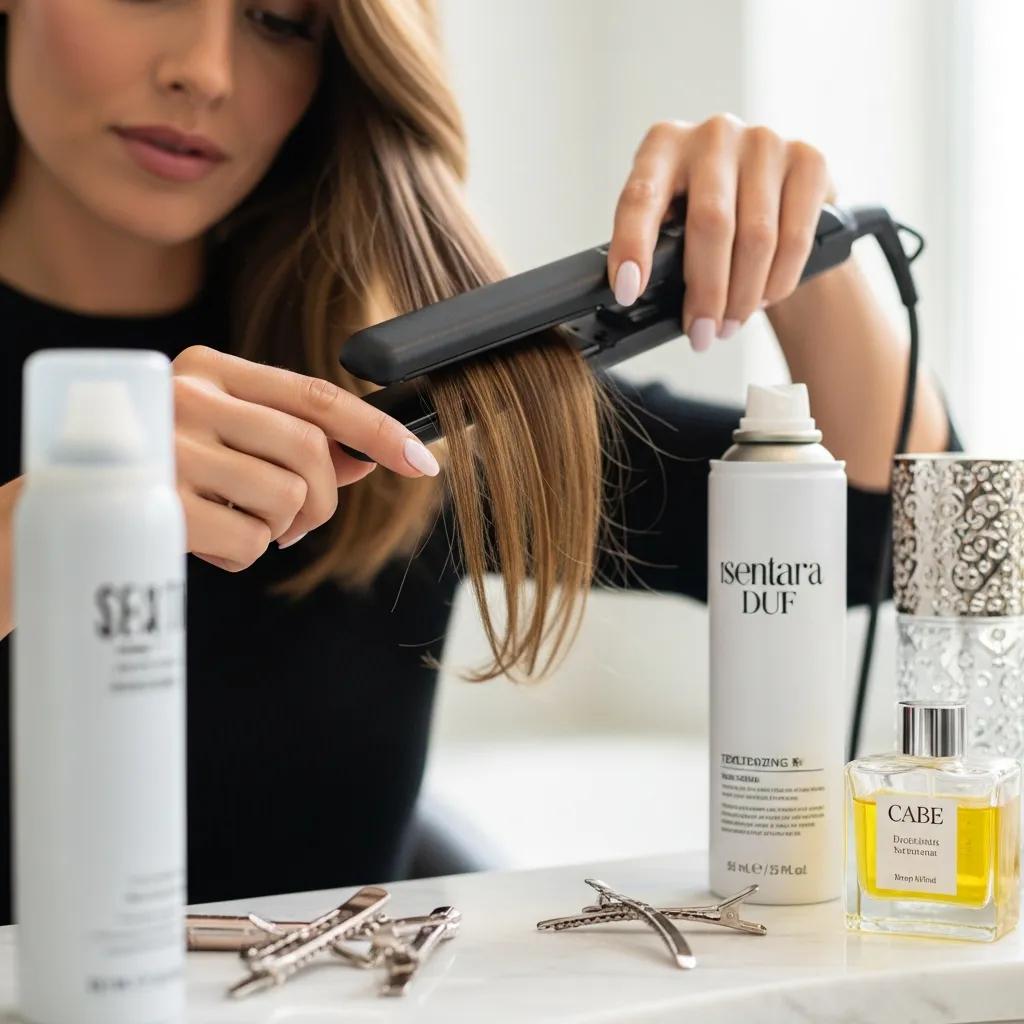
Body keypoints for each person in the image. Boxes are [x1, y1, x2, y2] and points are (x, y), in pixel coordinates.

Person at [0, 0, 952, 926]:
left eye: (282, 22)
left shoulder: (399, 412)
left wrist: (792, 235)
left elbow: (904, 533)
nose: (202, 72)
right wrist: (44, 532)